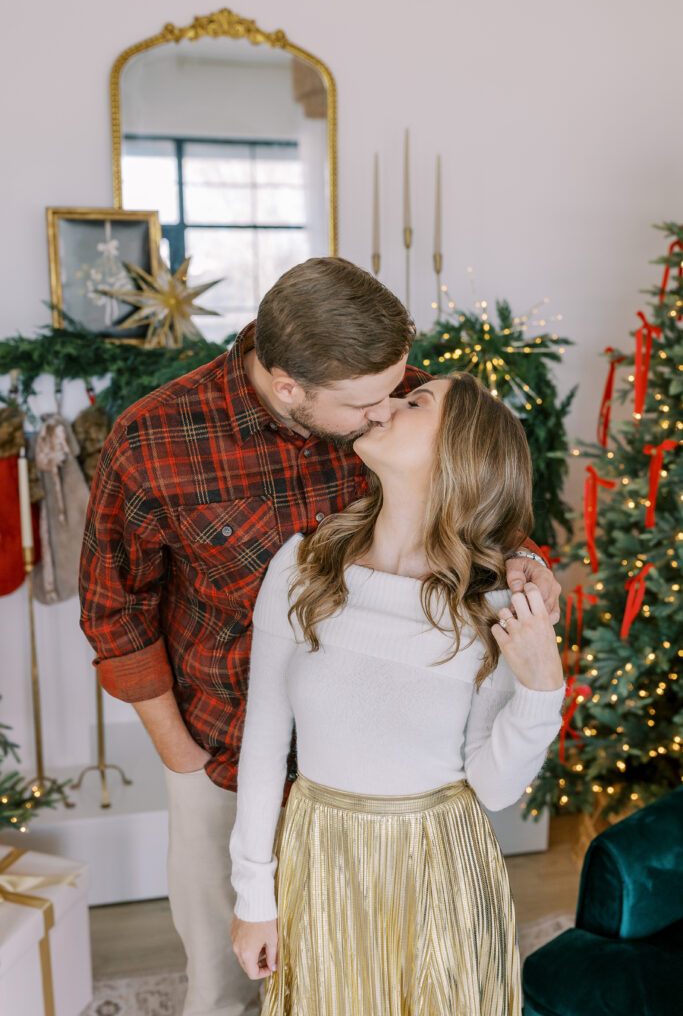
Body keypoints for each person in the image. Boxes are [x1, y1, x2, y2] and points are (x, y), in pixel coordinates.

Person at [79, 258, 561, 1016]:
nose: (384, 410)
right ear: (288, 387)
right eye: (369, 403)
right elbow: (114, 609)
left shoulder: (381, 391)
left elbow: (472, 489)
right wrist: (184, 757)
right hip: (224, 746)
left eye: (400, 393)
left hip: (400, 779)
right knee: (228, 976)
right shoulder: (153, 439)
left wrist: (527, 580)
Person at [229, 371, 566, 1015]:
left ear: (459, 450)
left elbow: (493, 787)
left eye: (416, 402)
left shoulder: (494, 601)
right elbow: (265, 742)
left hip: (441, 866)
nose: (386, 405)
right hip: (321, 857)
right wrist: (253, 898)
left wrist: (541, 689)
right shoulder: (301, 567)